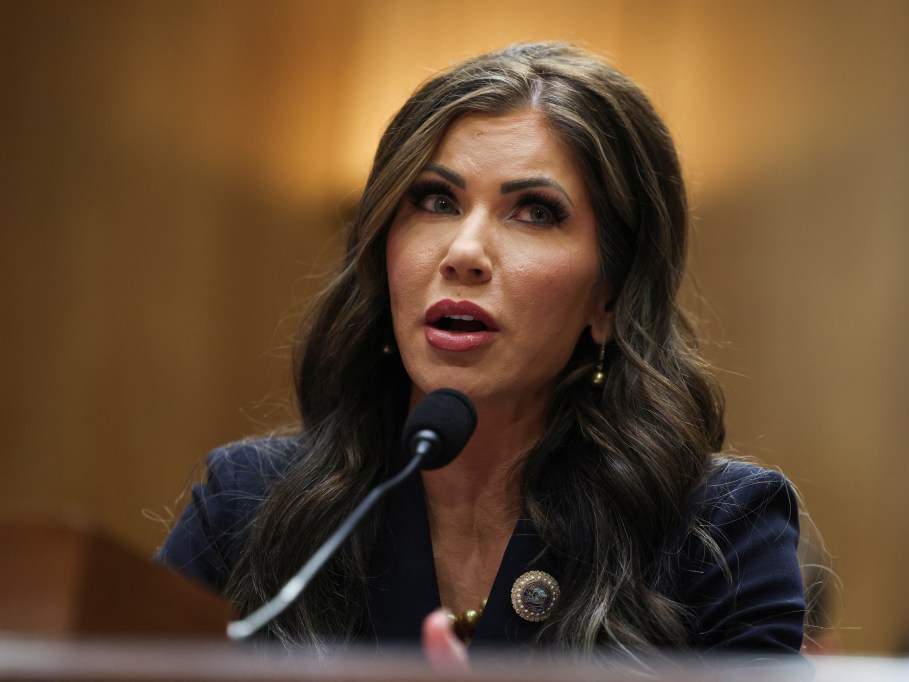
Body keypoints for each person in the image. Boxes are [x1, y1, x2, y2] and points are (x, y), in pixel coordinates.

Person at [158, 42, 806, 665]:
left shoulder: (717, 537)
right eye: (437, 201)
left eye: (535, 212)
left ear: (609, 296)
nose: (464, 252)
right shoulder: (246, 511)